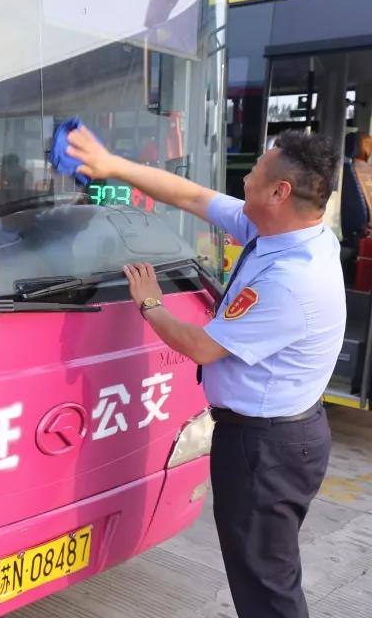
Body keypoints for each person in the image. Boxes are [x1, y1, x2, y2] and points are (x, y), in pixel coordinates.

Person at [66, 126, 344, 618]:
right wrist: (112, 166)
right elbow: (193, 196)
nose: (245, 180)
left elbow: (201, 346)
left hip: (267, 449)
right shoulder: (286, 232)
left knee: (266, 584)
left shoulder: (293, 280)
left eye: (255, 171)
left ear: (279, 192)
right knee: (266, 572)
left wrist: (150, 303)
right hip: (280, 436)